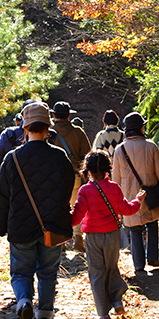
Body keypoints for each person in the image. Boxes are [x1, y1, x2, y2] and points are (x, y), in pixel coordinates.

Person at [0, 102, 74, 319]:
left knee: (21, 273)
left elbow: (1, 195)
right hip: (52, 226)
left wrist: (2, 227)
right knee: (48, 273)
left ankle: (25, 303)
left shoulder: (13, 158)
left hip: (21, 226)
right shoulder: (60, 157)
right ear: (48, 127)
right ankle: (46, 316)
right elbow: (67, 189)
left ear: (25, 127)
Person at [72, 150, 146, 319]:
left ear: (87, 171)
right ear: (107, 169)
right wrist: (138, 200)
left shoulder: (85, 191)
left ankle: (103, 316)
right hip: (112, 235)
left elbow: (75, 218)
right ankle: (117, 299)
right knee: (111, 267)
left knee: (97, 273)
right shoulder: (114, 188)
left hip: (92, 237)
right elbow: (127, 210)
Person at [112, 112, 159, 273]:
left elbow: (115, 179)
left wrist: (117, 200)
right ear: (141, 128)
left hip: (128, 196)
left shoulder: (119, 150)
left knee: (134, 229)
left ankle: (138, 264)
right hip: (150, 192)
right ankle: (152, 257)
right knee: (152, 224)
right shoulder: (151, 146)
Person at [51, 101, 91, 252]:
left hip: (54, 177)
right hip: (74, 175)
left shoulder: (48, 132)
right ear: (69, 115)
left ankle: (61, 240)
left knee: (58, 206)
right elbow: (87, 155)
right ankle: (78, 238)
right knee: (76, 207)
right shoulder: (78, 132)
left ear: (54, 115)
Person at [0, 99, 37, 187]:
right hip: (41, 186)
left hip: (13, 185)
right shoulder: (49, 135)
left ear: (22, 115)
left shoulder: (9, 134)